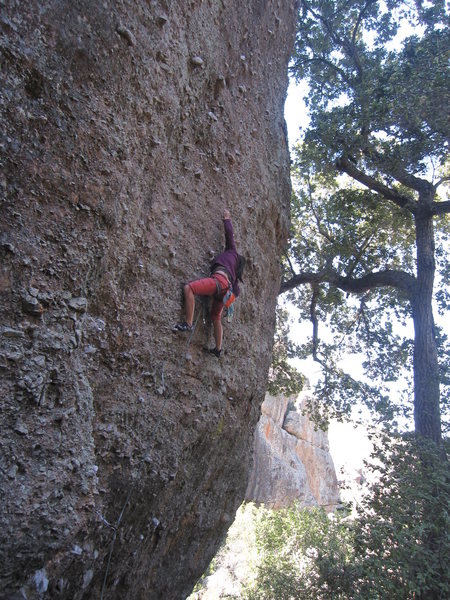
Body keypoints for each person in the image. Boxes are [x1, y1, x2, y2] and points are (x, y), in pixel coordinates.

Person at [173, 209, 245, 357]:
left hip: (219, 282)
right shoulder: (235, 277)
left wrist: (227, 219)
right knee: (215, 317)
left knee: (189, 289)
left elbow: (229, 236)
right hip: (225, 291)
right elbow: (236, 292)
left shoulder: (232, 253)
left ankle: (188, 323)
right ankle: (218, 349)